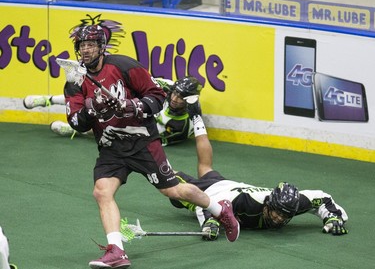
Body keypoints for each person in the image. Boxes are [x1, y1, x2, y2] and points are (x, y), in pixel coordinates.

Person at [63, 24, 239, 269]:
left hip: (142, 142)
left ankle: (219, 210)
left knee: (174, 191)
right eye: (82, 46)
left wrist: (134, 107)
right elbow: (76, 122)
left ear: (102, 47)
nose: (86, 50)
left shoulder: (124, 66)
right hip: (111, 147)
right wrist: (93, 108)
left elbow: (157, 96)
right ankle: (117, 251)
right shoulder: (75, 80)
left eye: (91, 44)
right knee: (102, 191)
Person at [169, 113, 349, 240]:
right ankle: (154, 149)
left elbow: (323, 198)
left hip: (226, 184)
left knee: (205, 167)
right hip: (210, 192)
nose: (279, 218)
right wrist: (209, 222)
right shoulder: (246, 201)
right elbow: (206, 202)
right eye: (277, 212)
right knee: (168, 181)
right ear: (269, 203)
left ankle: (196, 116)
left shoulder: (290, 204)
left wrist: (333, 217)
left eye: (285, 215)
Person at [23, 76, 202, 146]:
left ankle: (77, 130)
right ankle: (47, 100)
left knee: (116, 129)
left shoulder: (182, 125)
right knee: (97, 96)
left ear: (188, 102)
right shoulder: (168, 86)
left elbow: (152, 137)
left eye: (181, 98)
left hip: (142, 126)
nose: (175, 99)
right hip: (136, 103)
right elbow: (144, 82)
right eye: (175, 94)